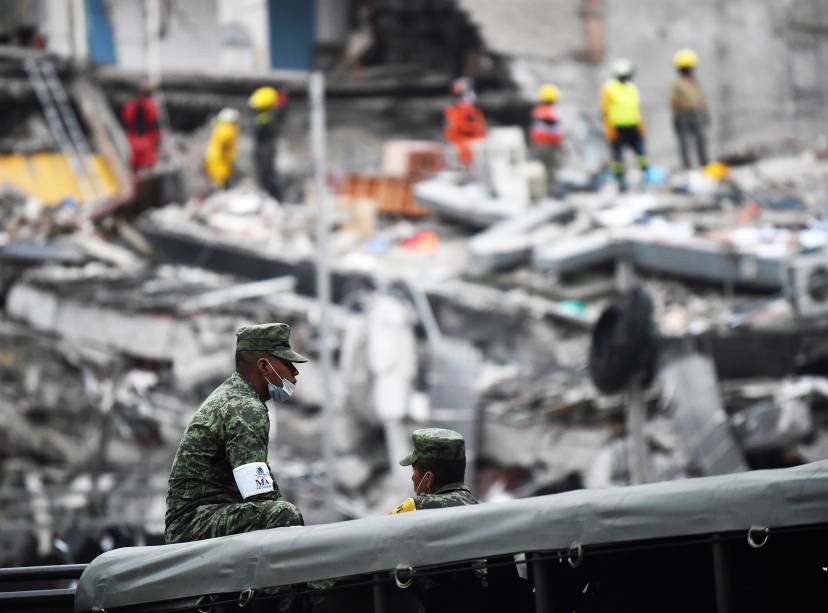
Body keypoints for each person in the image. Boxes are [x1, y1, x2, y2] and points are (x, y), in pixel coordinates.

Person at [165, 323, 306, 543]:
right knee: (283, 515)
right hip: (194, 523)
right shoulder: (244, 408)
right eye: (287, 363)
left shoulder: (235, 395)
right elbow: (259, 495)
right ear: (264, 366)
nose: (294, 372)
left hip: (204, 516)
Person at [391, 428, 477, 513]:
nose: (412, 477)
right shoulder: (479, 510)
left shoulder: (413, 509)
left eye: (414, 470)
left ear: (428, 479)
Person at [600, 59, 649, 191]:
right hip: (617, 127)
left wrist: (641, 125)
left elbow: (636, 108)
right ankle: (619, 178)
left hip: (633, 125)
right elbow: (605, 109)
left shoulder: (631, 88)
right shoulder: (609, 87)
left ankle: (645, 175)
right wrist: (608, 127)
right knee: (617, 156)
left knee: (640, 154)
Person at [670, 48, 709, 169]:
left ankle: (704, 164)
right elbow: (673, 102)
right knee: (685, 143)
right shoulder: (677, 84)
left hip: (697, 114)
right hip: (684, 115)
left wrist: (705, 114)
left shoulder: (694, 82)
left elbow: (701, 99)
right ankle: (688, 167)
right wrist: (676, 117)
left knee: (701, 139)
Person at [248, 86, 286, 200]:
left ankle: (274, 198)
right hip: (264, 149)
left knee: (267, 175)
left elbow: (262, 129)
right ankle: (270, 197)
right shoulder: (264, 117)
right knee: (265, 175)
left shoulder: (267, 118)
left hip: (266, 149)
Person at [443, 77, 487, 172]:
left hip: (474, 146)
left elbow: (480, 130)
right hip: (459, 145)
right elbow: (451, 132)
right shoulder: (453, 111)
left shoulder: (474, 110)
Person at [530, 83, 564, 196]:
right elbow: (555, 132)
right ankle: (551, 193)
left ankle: (543, 193)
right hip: (549, 146)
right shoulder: (551, 112)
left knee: (542, 170)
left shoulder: (538, 110)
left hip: (539, 144)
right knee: (550, 170)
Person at [122, 81, 161, 175]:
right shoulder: (150, 105)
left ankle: (135, 183)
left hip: (134, 138)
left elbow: (126, 119)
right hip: (146, 139)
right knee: (148, 166)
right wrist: (157, 139)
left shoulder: (130, 105)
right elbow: (153, 121)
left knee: (135, 166)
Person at [204, 107, 240, 190]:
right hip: (220, 158)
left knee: (220, 178)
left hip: (216, 157)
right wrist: (229, 157)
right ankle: (220, 194)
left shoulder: (221, 127)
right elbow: (225, 145)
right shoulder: (226, 129)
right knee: (221, 178)